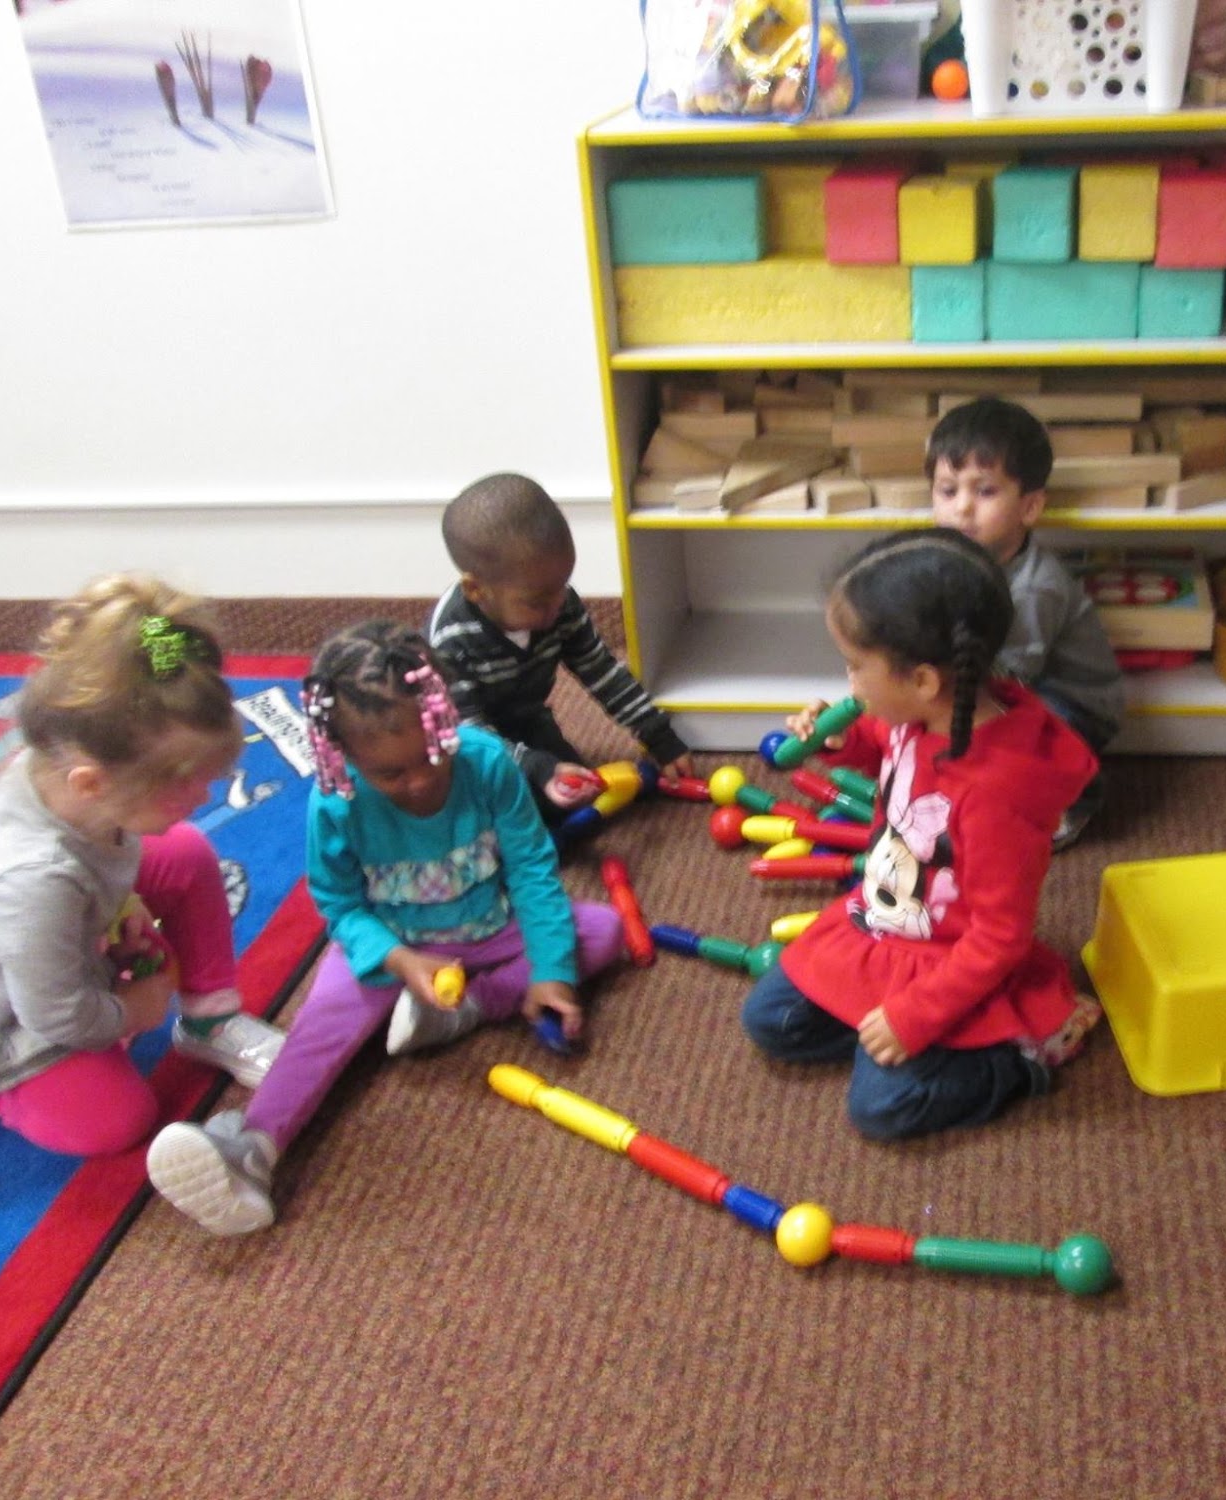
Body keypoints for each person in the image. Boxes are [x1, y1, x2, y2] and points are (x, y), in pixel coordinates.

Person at [146, 620, 623, 1235]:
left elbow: (532, 868)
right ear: (344, 758)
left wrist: (552, 971)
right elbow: (340, 905)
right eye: (391, 773)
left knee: (602, 931)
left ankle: (469, 1007)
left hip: (491, 928)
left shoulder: (485, 762)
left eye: (431, 756)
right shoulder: (335, 802)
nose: (419, 780)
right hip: (391, 945)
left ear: (444, 722)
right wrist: (399, 960)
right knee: (318, 1031)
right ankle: (253, 1150)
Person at [0, 576, 283, 1158]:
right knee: (116, 1122)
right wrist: (133, 1010)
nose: (205, 796)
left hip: (52, 935)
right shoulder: (29, 880)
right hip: (4, 1017)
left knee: (183, 850)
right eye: (185, 786)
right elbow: (58, 1017)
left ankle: (208, 1022)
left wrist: (123, 902)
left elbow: (106, 849)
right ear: (91, 784)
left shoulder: (71, 778)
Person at [740, 528, 1103, 1142]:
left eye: (856, 666)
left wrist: (913, 1018)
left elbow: (999, 940)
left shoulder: (994, 799)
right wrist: (843, 741)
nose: (849, 684)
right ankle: (890, 1035)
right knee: (770, 1021)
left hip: (954, 961)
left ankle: (1023, 1057)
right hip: (886, 924)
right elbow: (886, 750)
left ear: (925, 681)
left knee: (883, 1108)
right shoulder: (922, 714)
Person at [428, 472, 693, 821]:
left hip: (527, 717)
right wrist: (536, 767)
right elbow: (470, 731)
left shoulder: (559, 602)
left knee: (577, 793)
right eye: (537, 602)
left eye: (563, 586)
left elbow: (601, 671)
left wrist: (658, 735)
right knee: (506, 807)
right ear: (476, 590)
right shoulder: (451, 640)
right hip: (463, 739)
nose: (556, 607)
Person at [927, 397, 1124, 850]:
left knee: (1000, 734)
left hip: (1072, 703)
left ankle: (1076, 795)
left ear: (1030, 507)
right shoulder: (951, 556)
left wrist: (940, 697)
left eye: (985, 492)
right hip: (998, 678)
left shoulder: (1035, 588)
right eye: (948, 490)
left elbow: (1011, 681)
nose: (962, 508)